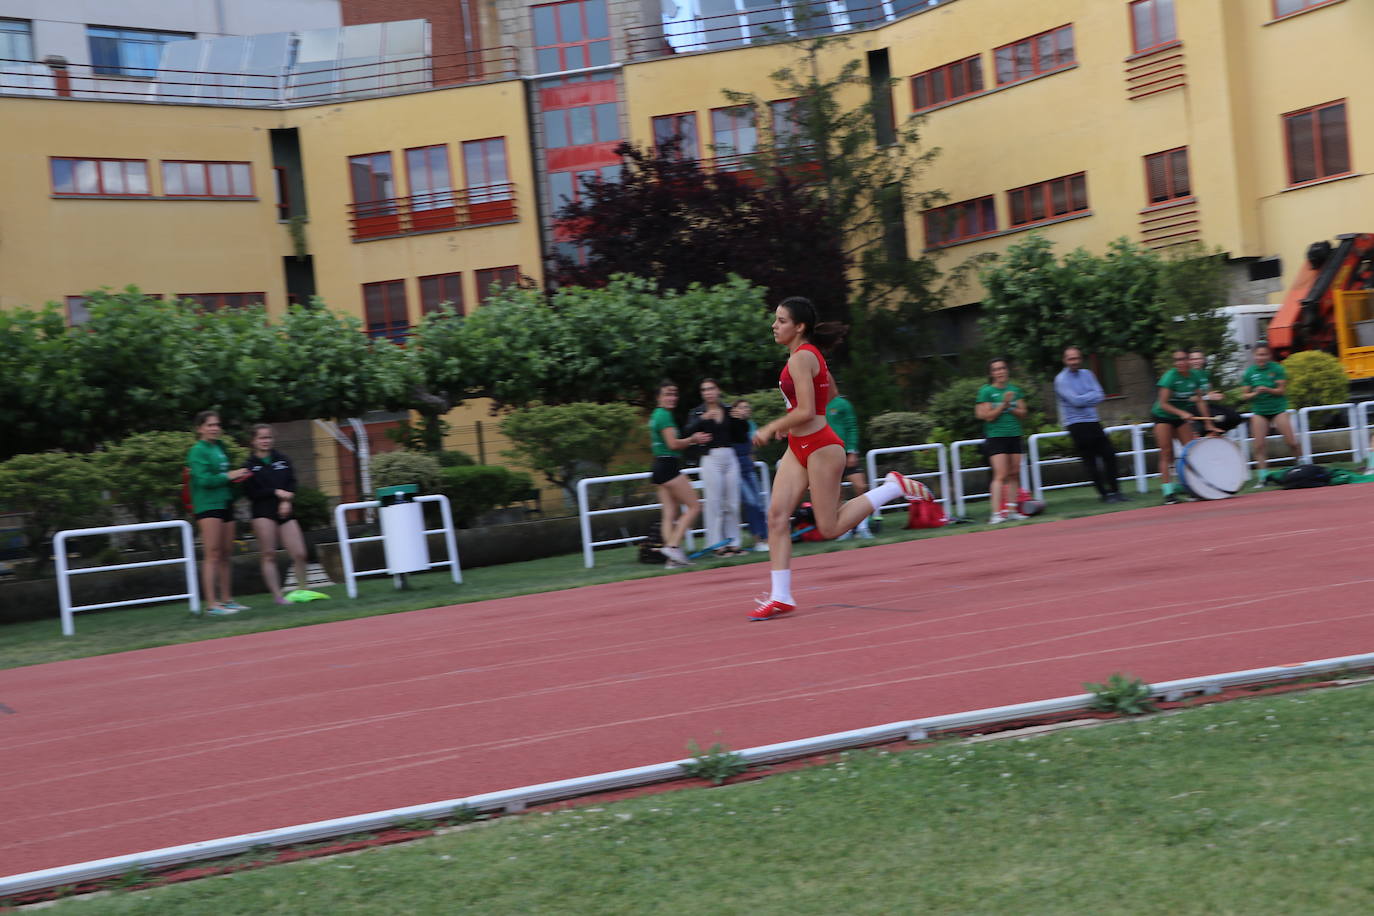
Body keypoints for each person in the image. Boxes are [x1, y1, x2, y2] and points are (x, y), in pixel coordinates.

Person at [749, 297, 926, 621]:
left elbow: (807, 410)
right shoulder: (807, 355)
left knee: (829, 527)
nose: (774, 325)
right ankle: (780, 595)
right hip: (799, 446)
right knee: (776, 516)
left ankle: (891, 487)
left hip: (821, 447)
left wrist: (773, 426)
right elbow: (827, 394)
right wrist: (791, 423)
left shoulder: (802, 357)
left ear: (799, 327)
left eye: (781, 320)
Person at [187, 410, 251, 615]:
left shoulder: (220, 447)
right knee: (212, 553)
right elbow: (204, 480)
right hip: (207, 505)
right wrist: (229, 476)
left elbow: (225, 477)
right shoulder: (197, 451)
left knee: (226, 553)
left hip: (225, 502)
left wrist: (239, 478)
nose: (215, 428)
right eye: (210, 425)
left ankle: (227, 600)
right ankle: (212, 605)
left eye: (217, 424)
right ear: (200, 429)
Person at [241, 423, 310, 605]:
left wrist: (286, 501)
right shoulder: (248, 465)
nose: (266, 441)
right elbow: (251, 493)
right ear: (253, 441)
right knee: (269, 554)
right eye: (261, 437)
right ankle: (278, 597)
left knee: (300, 553)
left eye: (269, 437)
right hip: (263, 512)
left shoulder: (283, 459)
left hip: (285, 510)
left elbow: (292, 483)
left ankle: (303, 590)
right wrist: (275, 492)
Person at [649, 381, 712, 569]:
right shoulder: (664, 416)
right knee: (694, 506)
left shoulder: (656, 415)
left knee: (669, 514)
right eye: (667, 394)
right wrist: (693, 439)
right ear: (658, 397)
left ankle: (672, 559)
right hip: (668, 466)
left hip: (659, 466)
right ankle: (673, 546)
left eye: (674, 394)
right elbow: (673, 444)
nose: (672, 398)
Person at [1054, 347, 1128, 503]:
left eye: (1076, 358)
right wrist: (1089, 397)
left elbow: (1100, 395)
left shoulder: (1088, 374)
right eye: (1070, 359)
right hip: (1076, 424)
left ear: (1081, 359)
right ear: (1065, 360)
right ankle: (1104, 495)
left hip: (1093, 421)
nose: (1074, 361)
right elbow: (1075, 401)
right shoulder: (1061, 379)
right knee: (1091, 461)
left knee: (1109, 454)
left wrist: (1084, 398)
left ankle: (1116, 492)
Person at [684, 379, 747, 557]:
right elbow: (686, 432)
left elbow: (741, 436)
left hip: (730, 456)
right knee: (714, 503)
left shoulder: (728, 410)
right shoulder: (697, 412)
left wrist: (741, 419)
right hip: (710, 457)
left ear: (718, 390)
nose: (708, 392)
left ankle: (734, 543)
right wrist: (702, 419)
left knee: (732, 502)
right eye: (704, 390)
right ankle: (716, 544)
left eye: (711, 388)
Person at [1152, 349, 1219, 504]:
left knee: (1191, 451)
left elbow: (1200, 400)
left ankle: (1194, 488)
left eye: (1183, 359)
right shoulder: (1170, 377)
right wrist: (1181, 412)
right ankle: (1168, 493)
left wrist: (1209, 424)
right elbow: (1163, 404)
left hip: (1179, 417)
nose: (1180, 363)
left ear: (1189, 360)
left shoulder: (1194, 376)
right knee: (1166, 452)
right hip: (1162, 416)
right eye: (1177, 360)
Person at [975, 358, 1029, 524]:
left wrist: (1010, 406)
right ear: (991, 373)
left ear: (1007, 370)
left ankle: (1012, 510)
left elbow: (1023, 413)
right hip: (996, 436)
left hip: (1014, 434)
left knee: (1014, 473)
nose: (1000, 372)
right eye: (996, 369)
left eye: (1003, 368)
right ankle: (996, 513)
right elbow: (987, 416)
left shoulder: (1015, 390)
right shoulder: (986, 391)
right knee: (1000, 474)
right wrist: (1003, 404)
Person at [1242, 343, 1298, 487]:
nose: (1261, 358)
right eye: (1258, 355)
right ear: (1254, 356)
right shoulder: (1249, 372)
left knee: (1291, 442)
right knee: (1259, 445)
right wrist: (1255, 393)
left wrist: (1268, 389)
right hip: (1260, 411)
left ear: (1269, 355)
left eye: (1264, 354)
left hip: (1278, 409)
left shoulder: (1277, 369)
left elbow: (1281, 391)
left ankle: (1300, 466)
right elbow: (1245, 395)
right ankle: (1263, 478)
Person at [826, 380, 875, 539]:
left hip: (846, 453)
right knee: (836, 494)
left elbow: (852, 427)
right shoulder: (814, 406)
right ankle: (844, 529)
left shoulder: (842, 404)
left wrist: (852, 451)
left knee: (860, 486)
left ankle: (863, 526)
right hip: (827, 456)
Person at [729, 398, 770, 552]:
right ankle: (758, 539)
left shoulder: (749, 425)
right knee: (751, 502)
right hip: (736, 469)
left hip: (748, 467)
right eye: (741, 407)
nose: (745, 410)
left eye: (747, 407)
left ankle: (765, 538)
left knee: (758, 503)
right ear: (734, 410)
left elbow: (756, 443)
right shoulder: (730, 424)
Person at [1188, 349, 1243, 434]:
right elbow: (1188, 398)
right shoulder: (1188, 375)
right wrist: (1207, 397)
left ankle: (1215, 434)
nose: (1196, 361)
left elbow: (1208, 392)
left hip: (1205, 405)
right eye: (1193, 359)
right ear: (1189, 361)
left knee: (1236, 417)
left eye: (1198, 358)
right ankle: (1206, 433)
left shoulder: (1205, 374)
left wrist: (1215, 395)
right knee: (1221, 418)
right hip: (1192, 407)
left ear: (1203, 360)